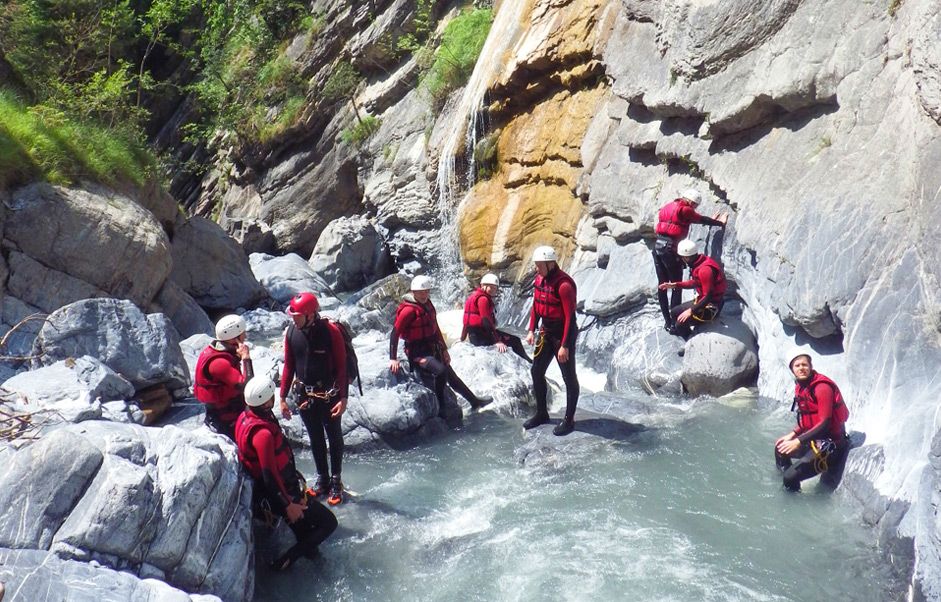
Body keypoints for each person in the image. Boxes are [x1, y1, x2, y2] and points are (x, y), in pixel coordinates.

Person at [235, 377, 338, 571]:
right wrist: (288, 504)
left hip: (276, 493)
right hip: (282, 496)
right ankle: (286, 561)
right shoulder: (262, 435)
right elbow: (268, 475)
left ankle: (305, 561)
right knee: (329, 523)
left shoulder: (245, 415)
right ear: (265, 402)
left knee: (307, 538)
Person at [278, 292, 348, 506]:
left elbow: (342, 366)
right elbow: (289, 365)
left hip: (329, 394)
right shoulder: (292, 332)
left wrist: (343, 398)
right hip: (304, 396)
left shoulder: (331, 332)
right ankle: (322, 479)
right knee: (315, 438)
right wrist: (281, 397)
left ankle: (336, 481)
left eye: (297, 315)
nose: (293, 318)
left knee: (334, 437)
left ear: (310, 315)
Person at [389, 275, 492, 412]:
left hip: (432, 348)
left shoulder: (428, 304)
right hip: (417, 352)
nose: (424, 294)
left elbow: (436, 328)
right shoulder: (408, 311)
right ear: (413, 292)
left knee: (451, 376)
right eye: (421, 292)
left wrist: (444, 349)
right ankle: (441, 405)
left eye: (427, 291)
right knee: (441, 371)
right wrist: (393, 358)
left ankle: (475, 402)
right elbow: (394, 333)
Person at [653, 189, 728, 334]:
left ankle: (667, 322)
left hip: (657, 247)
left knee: (662, 286)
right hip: (670, 249)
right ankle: (675, 323)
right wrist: (719, 223)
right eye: (695, 206)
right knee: (676, 287)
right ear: (692, 202)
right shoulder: (686, 209)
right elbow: (701, 219)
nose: (694, 208)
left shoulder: (668, 206)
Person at [523, 246, 579, 436]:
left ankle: (569, 420)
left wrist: (564, 345)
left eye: (540, 265)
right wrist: (531, 330)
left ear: (550, 263)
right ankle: (541, 413)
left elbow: (570, 319)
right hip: (546, 332)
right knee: (536, 370)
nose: (537, 268)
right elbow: (536, 307)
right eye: (536, 265)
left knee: (569, 377)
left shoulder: (564, 285)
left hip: (563, 334)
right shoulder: (539, 280)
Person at [774, 353, 850, 492]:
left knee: (790, 477)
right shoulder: (802, 386)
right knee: (780, 448)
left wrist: (797, 441)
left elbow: (824, 424)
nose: (801, 368)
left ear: (811, 367)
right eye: (797, 366)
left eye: (805, 365)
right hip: (814, 441)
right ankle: (786, 482)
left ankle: (791, 488)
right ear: (792, 370)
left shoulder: (822, 387)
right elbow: (809, 419)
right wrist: (792, 434)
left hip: (830, 447)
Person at [193, 314, 253, 439]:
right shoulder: (219, 363)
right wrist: (246, 358)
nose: (245, 336)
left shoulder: (222, 351)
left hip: (228, 409)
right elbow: (248, 387)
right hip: (225, 418)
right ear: (234, 338)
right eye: (243, 333)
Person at [658, 239, 727, 338]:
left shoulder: (704, 270)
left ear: (686, 257)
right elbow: (696, 283)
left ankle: (690, 340)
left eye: (681, 257)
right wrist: (676, 285)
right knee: (674, 312)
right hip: (705, 301)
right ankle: (684, 331)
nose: (681, 260)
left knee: (679, 324)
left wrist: (691, 310)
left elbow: (708, 296)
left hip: (712, 306)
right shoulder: (699, 262)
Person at [461, 273, 531, 362]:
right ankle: (527, 361)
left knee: (511, 337)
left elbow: (467, 322)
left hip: (475, 335)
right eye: (491, 287)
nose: (493, 290)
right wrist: (497, 341)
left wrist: (462, 338)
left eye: (495, 288)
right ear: (483, 286)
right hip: (481, 337)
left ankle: (526, 360)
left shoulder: (473, 297)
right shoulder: (483, 299)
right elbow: (486, 321)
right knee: (515, 340)